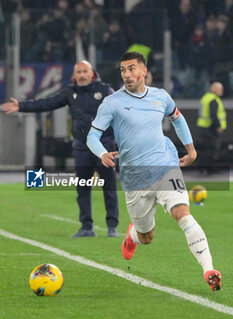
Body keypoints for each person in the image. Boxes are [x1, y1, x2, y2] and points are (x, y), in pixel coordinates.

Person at [86, 51, 222, 292]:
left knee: (183, 214)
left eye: (131, 69)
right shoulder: (113, 102)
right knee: (147, 236)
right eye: (122, 70)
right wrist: (102, 153)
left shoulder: (160, 97)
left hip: (165, 165)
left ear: (143, 71)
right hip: (134, 177)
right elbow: (92, 136)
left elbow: (178, 119)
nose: (126, 75)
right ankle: (133, 236)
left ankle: (208, 269)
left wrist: (191, 151)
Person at [2, 60, 119, 238]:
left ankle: (112, 227)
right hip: (82, 148)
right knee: (82, 188)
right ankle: (86, 227)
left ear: (92, 73)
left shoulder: (105, 91)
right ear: (74, 75)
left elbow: (119, 114)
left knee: (109, 186)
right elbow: (46, 103)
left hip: (105, 147)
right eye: (78, 72)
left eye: (84, 71)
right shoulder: (69, 92)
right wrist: (21, 106)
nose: (81, 75)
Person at [197, 82, 227, 171]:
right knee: (212, 148)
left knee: (208, 148)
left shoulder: (206, 97)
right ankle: (205, 167)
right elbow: (213, 114)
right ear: (215, 89)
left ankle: (206, 167)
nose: (222, 91)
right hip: (210, 128)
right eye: (220, 89)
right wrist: (218, 126)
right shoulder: (213, 99)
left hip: (204, 127)